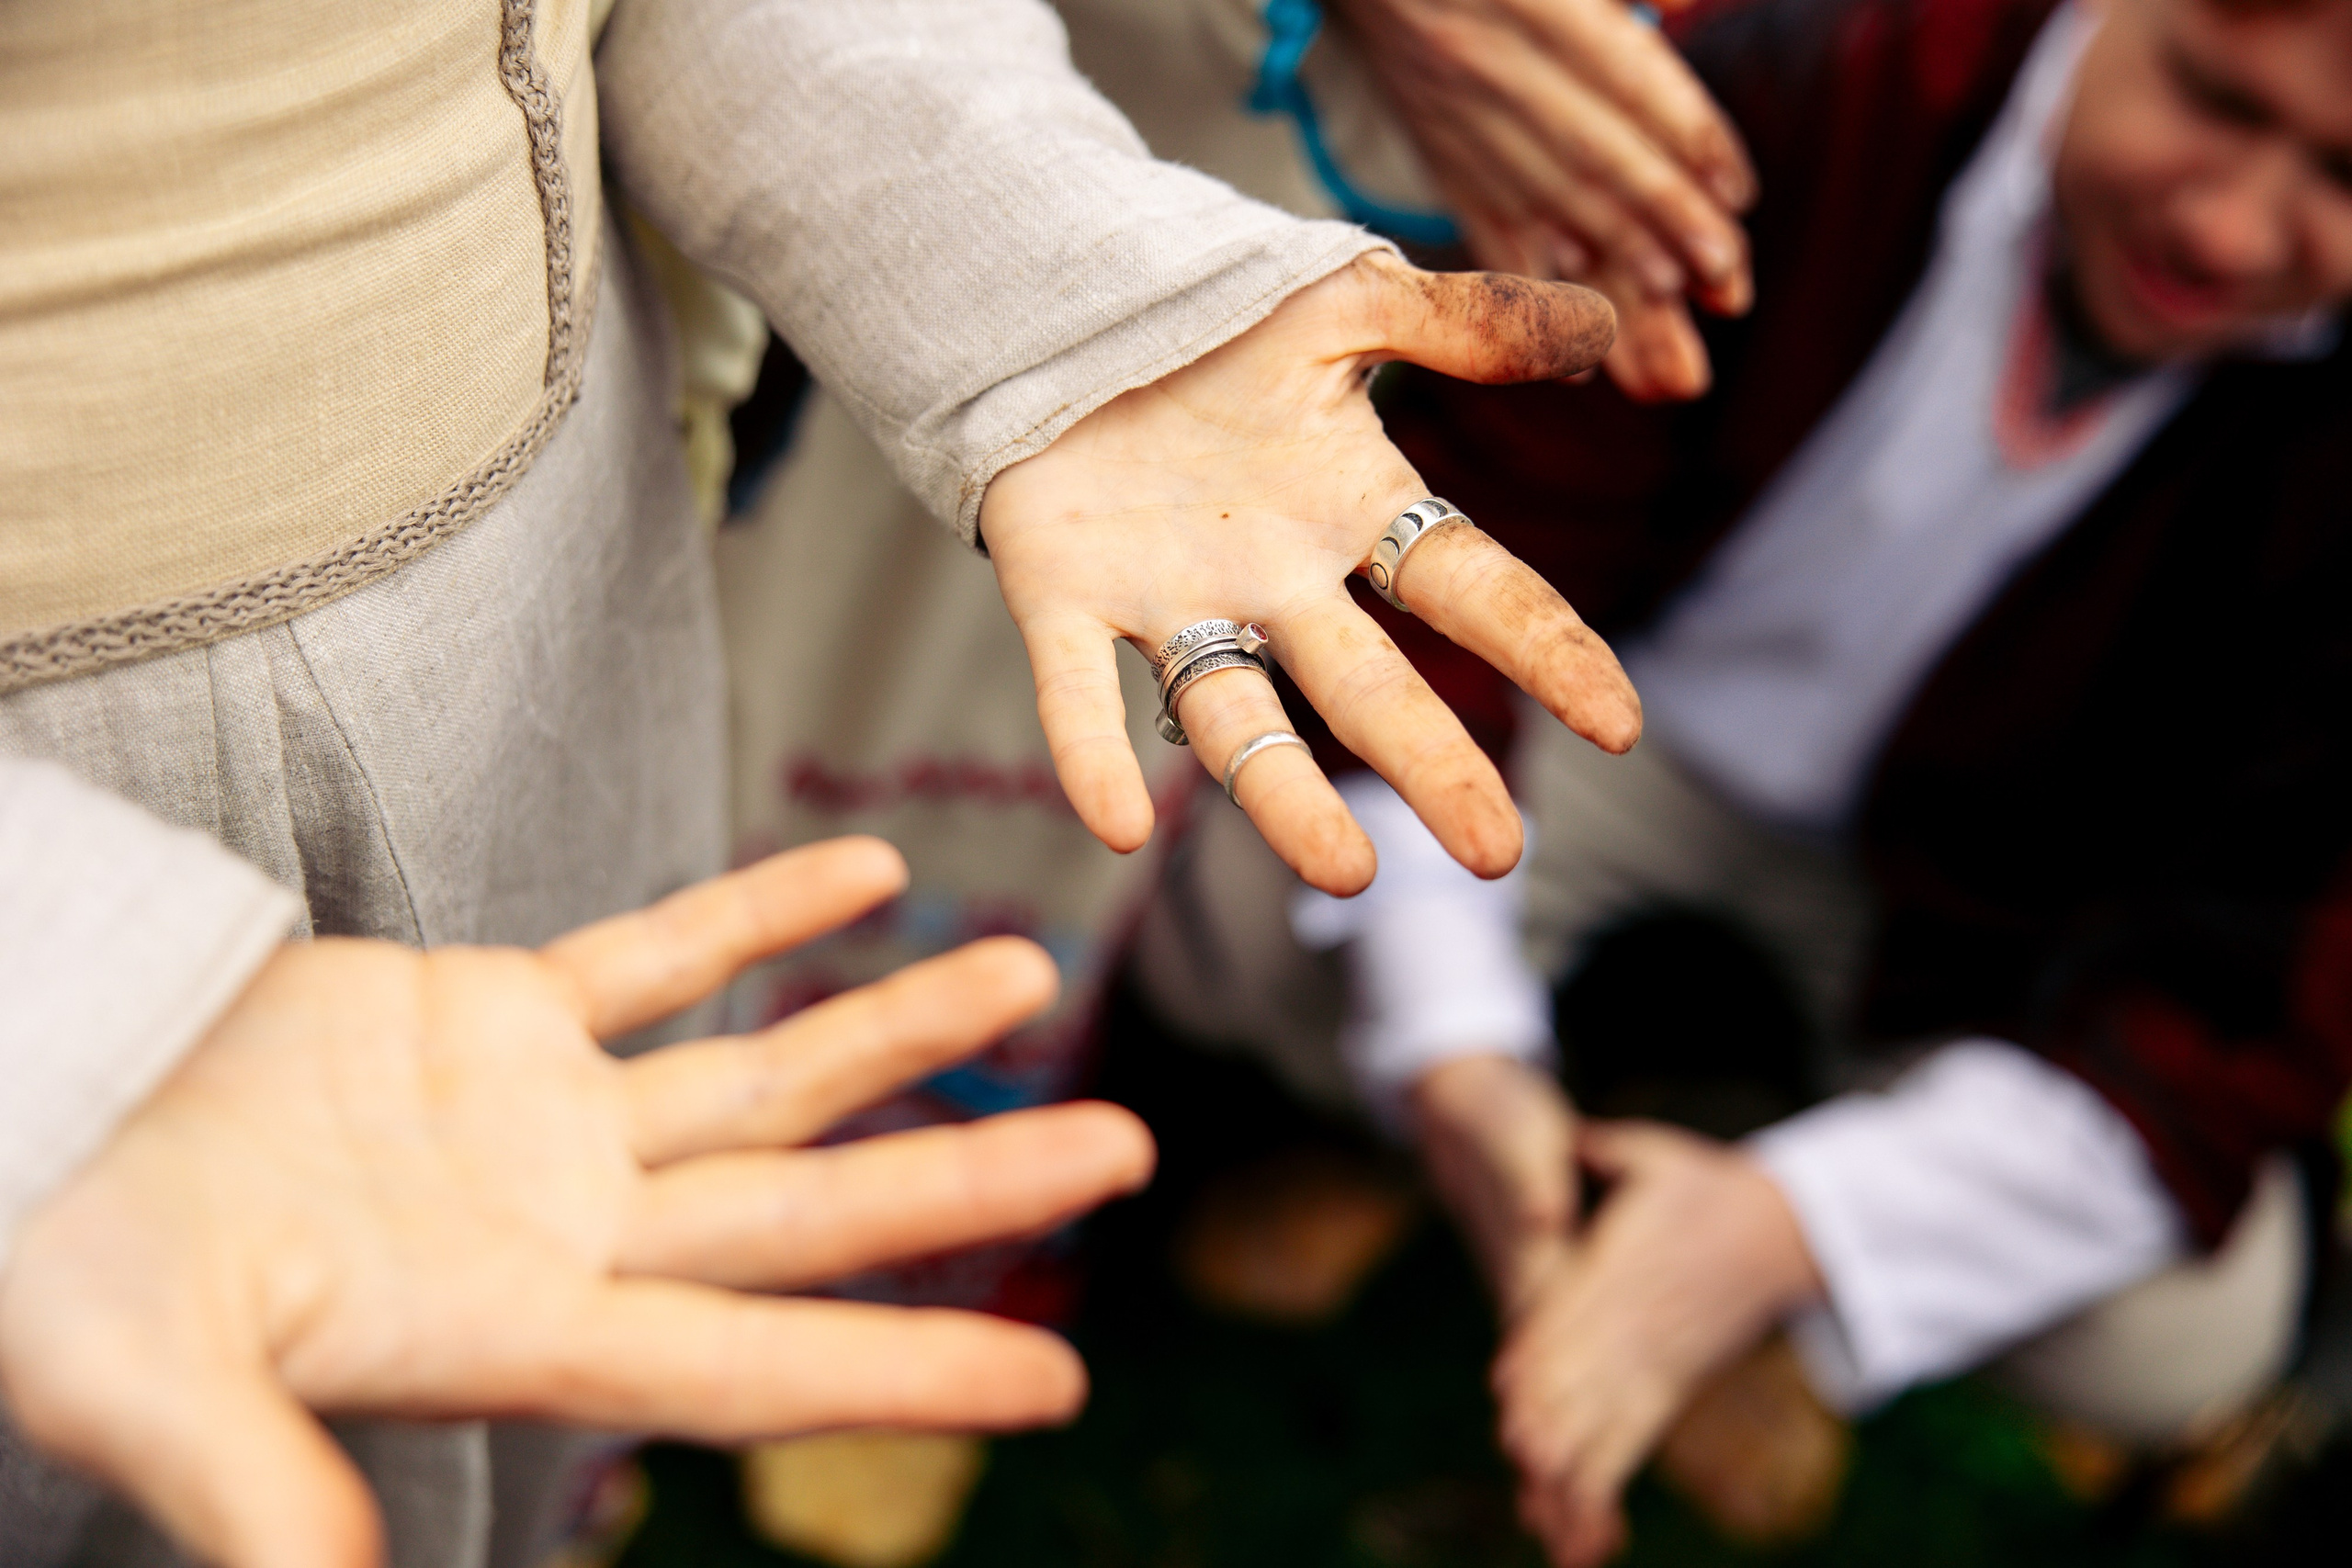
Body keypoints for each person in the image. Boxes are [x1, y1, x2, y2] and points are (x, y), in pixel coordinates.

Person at [0, 0, 1655, 1561]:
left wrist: (1067, 292)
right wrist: (67, 1006)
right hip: (53, 748)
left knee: (542, 1246)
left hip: (542, 569)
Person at [1135, 0, 2352, 1558]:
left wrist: (1783, 1234)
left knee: (2179, 1338)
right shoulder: (1790, 75)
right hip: (1607, 733)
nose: (2235, 227)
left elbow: (2245, 990)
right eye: (2213, 97)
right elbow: (1468, 528)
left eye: (2343, 174)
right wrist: (1456, 1051)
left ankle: (1695, 1223)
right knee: (1245, 891)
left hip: (1982, 926)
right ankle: (1483, 1148)